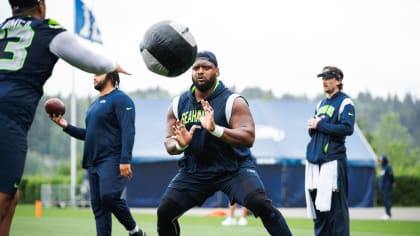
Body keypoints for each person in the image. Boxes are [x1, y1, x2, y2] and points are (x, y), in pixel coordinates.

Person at [0, 1, 129, 235]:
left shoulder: (3, 29)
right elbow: (96, 62)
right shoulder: (47, 30)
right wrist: (114, 65)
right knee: (4, 195)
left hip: (10, 116)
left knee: (13, 195)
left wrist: (66, 126)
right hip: (9, 115)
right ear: (41, 5)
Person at [156, 50, 292, 236]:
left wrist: (215, 129)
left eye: (207, 67)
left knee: (260, 204)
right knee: (164, 212)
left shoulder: (232, 101)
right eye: (196, 68)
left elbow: (248, 137)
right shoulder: (178, 104)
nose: (200, 71)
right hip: (195, 171)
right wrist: (181, 144)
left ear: (217, 71)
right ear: (191, 71)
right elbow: (169, 144)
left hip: (233, 169)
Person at [49, 72, 146, 236]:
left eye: (98, 74)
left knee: (108, 196)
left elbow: (128, 131)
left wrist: (125, 160)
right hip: (92, 163)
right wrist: (66, 126)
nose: (93, 77)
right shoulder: (94, 105)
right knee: (99, 210)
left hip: (112, 159)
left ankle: (134, 231)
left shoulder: (122, 100)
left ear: (110, 76)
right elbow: (90, 134)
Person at [305, 66, 356, 236]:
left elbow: (347, 128)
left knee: (337, 210)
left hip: (333, 162)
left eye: (328, 77)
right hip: (316, 161)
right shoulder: (321, 103)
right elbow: (315, 129)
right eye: (323, 78)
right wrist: (313, 126)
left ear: (339, 80)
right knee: (320, 212)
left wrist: (320, 125)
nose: (324, 81)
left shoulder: (345, 102)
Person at [378, 154, 396, 220]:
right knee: (384, 200)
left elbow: (391, 176)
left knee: (387, 200)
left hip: (387, 187)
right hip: (383, 187)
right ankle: (386, 213)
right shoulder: (382, 168)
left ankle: (388, 214)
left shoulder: (388, 167)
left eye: (381, 160)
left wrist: (393, 182)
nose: (380, 162)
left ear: (384, 160)